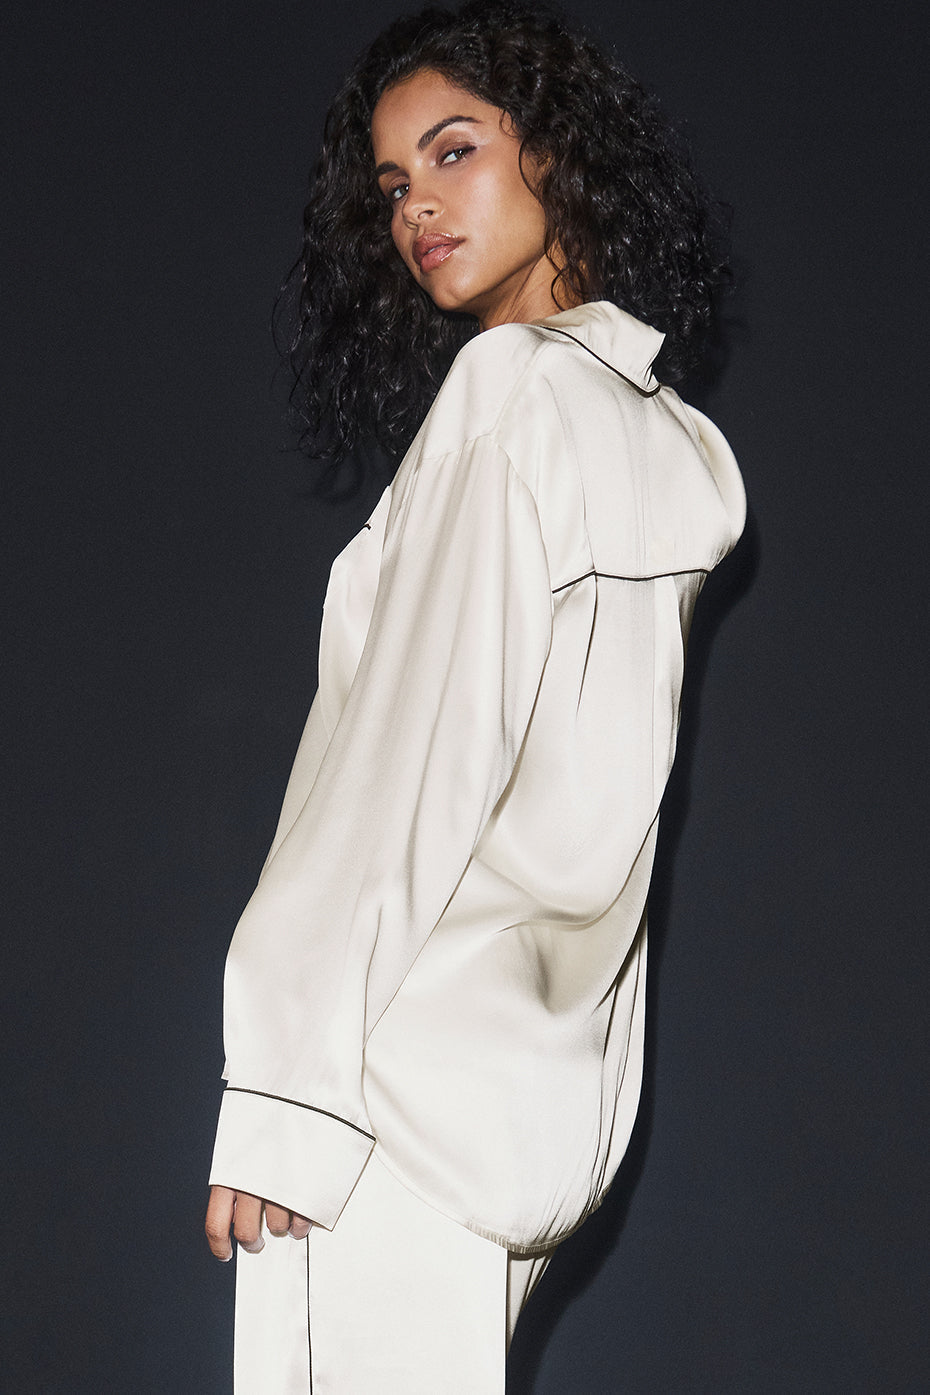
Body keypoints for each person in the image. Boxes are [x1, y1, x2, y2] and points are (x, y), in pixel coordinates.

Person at [204, 2, 746, 1390]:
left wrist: (282, 1086)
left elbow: (406, 768)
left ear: (555, 152)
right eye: (394, 185)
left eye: (454, 153)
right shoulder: (668, 438)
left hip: (385, 1086)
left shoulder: (507, 398)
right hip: (533, 1092)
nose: (416, 210)